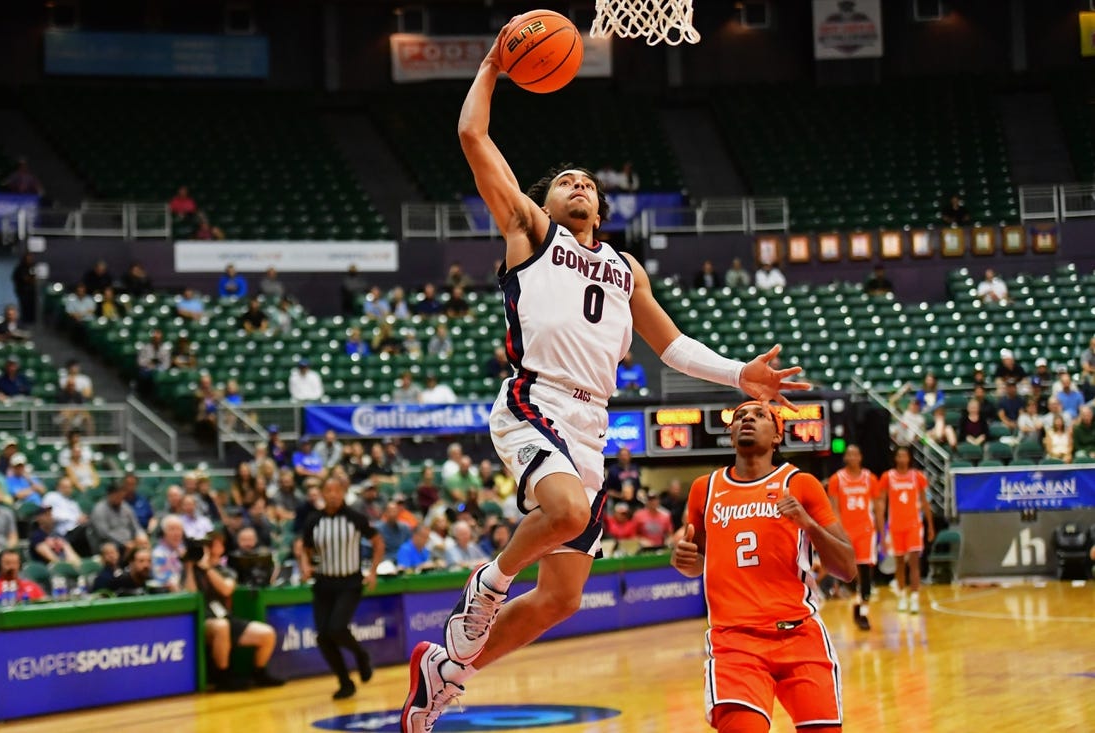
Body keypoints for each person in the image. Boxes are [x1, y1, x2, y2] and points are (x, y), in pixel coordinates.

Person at [399, 22, 808, 731]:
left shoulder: (625, 268)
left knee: (560, 597)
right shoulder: (529, 231)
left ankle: (446, 671)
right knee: (561, 514)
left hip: (591, 424)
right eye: (565, 181)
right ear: (547, 203)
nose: (578, 184)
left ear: (601, 207)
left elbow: (674, 348)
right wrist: (494, 66)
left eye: (586, 181)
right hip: (536, 398)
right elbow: (473, 138)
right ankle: (486, 585)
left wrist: (738, 373)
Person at [670, 401, 854, 733]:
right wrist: (683, 560)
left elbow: (847, 568)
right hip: (735, 641)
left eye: (759, 416)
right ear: (731, 434)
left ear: (777, 437)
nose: (747, 420)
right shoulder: (704, 489)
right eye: (740, 417)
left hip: (799, 634)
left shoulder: (801, 483)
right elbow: (696, 562)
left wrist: (808, 524)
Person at [299, 476, 385, 699]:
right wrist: (306, 565)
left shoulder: (355, 518)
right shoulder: (313, 520)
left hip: (349, 583)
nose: (333, 494)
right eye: (328, 490)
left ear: (344, 492)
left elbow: (378, 542)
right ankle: (345, 682)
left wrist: (373, 571)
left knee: (336, 628)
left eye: (337, 490)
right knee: (323, 637)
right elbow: (304, 547)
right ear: (321, 493)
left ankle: (361, 655)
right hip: (323, 584)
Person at [184, 532, 284, 690]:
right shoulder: (192, 570)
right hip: (203, 620)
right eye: (207, 546)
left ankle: (258, 673)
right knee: (221, 626)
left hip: (225, 617)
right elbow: (189, 594)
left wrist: (208, 568)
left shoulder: (225, 570)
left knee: (267, 634)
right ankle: (223, 677)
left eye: (213, 545)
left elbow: (226, 590)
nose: (209, 548)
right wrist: (189, 567)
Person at [826, 444, 883, 631]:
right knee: (848, 571)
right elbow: (833, 508)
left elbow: (878, 507)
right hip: (846, 531)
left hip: (866, 530)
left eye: (855, 454)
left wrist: (882, 531)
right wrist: (839, 531)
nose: (852, 457)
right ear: (845, 458)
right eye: (849, 454)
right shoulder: (836, 479)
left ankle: (864, 612)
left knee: (865, 569)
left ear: (860, 457)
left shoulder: (870, 479)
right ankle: (856, 598)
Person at [878, 446, 935, 614]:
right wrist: (882, 530)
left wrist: (930, 525)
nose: (902, 459)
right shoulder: (888, 477)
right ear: (895, 459)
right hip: (895, 526)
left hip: (914, 526)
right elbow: (881, 503)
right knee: (900, 564)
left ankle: (915, 598)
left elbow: (925, 502)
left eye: (905, 456)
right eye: (899, 456)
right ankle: (902, 596)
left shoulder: (917, 477)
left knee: (914, 563)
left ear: (909, 458)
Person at [12, 252, 38, 325]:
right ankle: (25, 322)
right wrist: (33, 279)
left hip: (32, 292)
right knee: (25, 307)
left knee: (33, 306)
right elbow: (25, 279)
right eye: (28, 258)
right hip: (23, 292)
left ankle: (32, 321)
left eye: (31, 258)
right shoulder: (20, 268)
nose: (30, 260)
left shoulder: (33, 267)